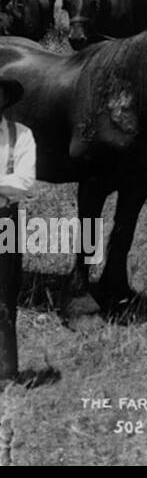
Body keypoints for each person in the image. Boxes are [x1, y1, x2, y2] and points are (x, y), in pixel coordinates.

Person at [0, 77, 37, 384]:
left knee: (5, 293)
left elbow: (25, 182)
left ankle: (5, 373)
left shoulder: (20, 134)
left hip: (4, 220)